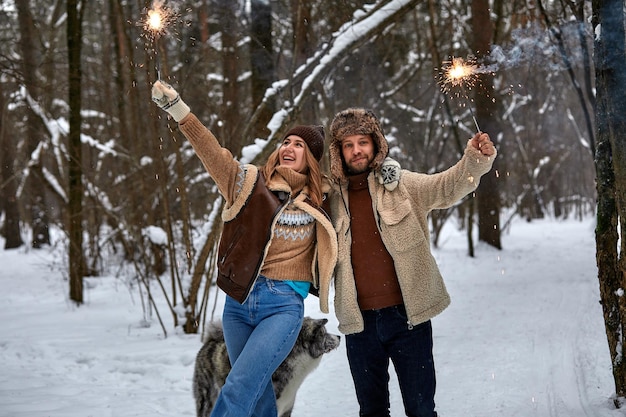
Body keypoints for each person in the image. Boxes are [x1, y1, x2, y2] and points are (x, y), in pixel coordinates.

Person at [151, 80, 337, 417]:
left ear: (311, 158)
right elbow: (213, 153)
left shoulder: (322, 200)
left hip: (281, 308)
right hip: (238, 305)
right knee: (259, 396)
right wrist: (179, 109)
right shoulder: (249, 183)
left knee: (239, 387)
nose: (288, 147)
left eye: (299, 145)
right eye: (286, 141)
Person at [327, 108, 497, 417]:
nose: (356, 150)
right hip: (359, 325)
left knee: (421, 409)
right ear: (338, 151)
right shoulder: (331, 200)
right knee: (372, 411)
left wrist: (475, 160)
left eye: (362, 142)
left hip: (408, 318)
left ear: (375, 143)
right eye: (348, 145)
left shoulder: (402, 185)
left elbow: (447, 186)